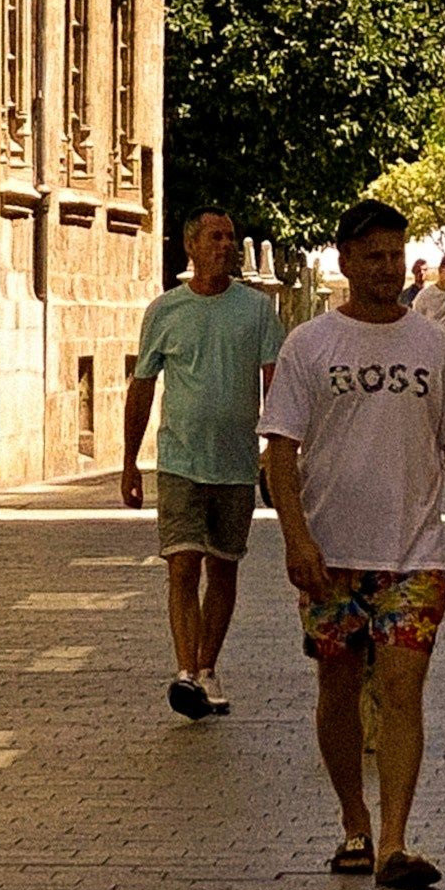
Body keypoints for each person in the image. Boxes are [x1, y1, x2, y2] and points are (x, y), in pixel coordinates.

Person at [260, 197, 445, 890]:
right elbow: (281, 451)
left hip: (413, 555)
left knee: (402, 688)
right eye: (373, 256)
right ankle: (353, 822)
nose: (388, 267)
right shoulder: (310, 344)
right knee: (336, 689)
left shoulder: (432, 346)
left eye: (396, 254)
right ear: (345, 262)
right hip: (330, 555)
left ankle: (394, 839)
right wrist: (295, 537)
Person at [121, 208, 278, 721]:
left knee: (224, 568)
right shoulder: (164, 311)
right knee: (183, 564)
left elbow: (276, 385)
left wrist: (276, 454)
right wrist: (129, 462)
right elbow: (142, 386)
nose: (226, 245)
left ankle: (208, 668)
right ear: (192, 246)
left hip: (234, 464)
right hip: (179, 460)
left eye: (231, 237)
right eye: (216, 237)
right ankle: (186, 671)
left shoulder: (257, 311)